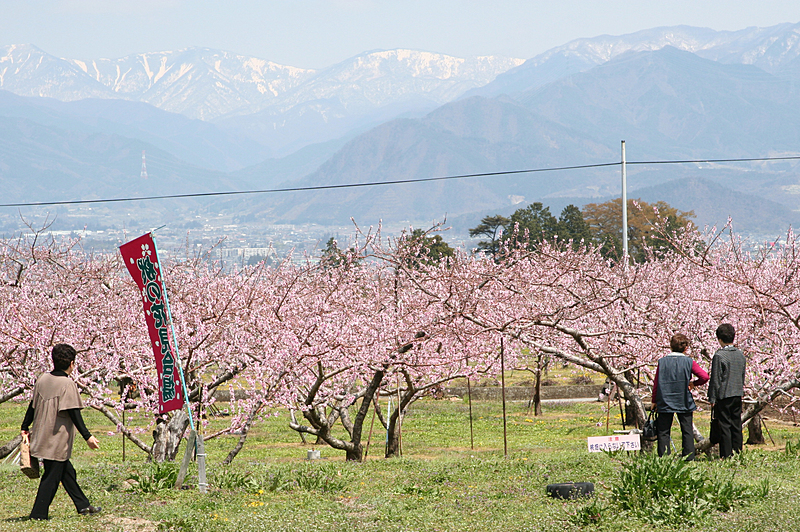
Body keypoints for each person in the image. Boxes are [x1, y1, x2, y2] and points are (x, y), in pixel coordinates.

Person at [20, 344, 102, 520]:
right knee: (51, 477)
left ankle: (83, 505)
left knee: (67, 472)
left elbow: (32, 406)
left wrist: (25, 426)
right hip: (57, 439)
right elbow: (74, 413)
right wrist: (88, 436)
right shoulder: (67, 383)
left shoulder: (42, 379)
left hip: (42, 434)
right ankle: (38, 514)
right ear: (72, 363)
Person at [651, 333, 709, 460]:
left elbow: (656, 383)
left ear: (671, 347)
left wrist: (654, 400)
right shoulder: (689, 362)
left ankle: (664, 458)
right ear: (685, 348)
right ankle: (688, 457)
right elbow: (705, 376)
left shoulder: (662, 362)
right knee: (687, 430)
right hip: (683, 399)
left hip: (665, 399)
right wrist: (694, 384)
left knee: (664, 431)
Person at [707, 323, 746, 458]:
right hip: (737, 393)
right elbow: (742, 375)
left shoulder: (720, 355)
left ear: (719, 339)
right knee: (736, 424)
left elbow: (716, 379)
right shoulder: (740, 354)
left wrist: (712, 398)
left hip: (724, 395)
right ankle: (737, 452)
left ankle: (726, 454)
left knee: (724, 425)